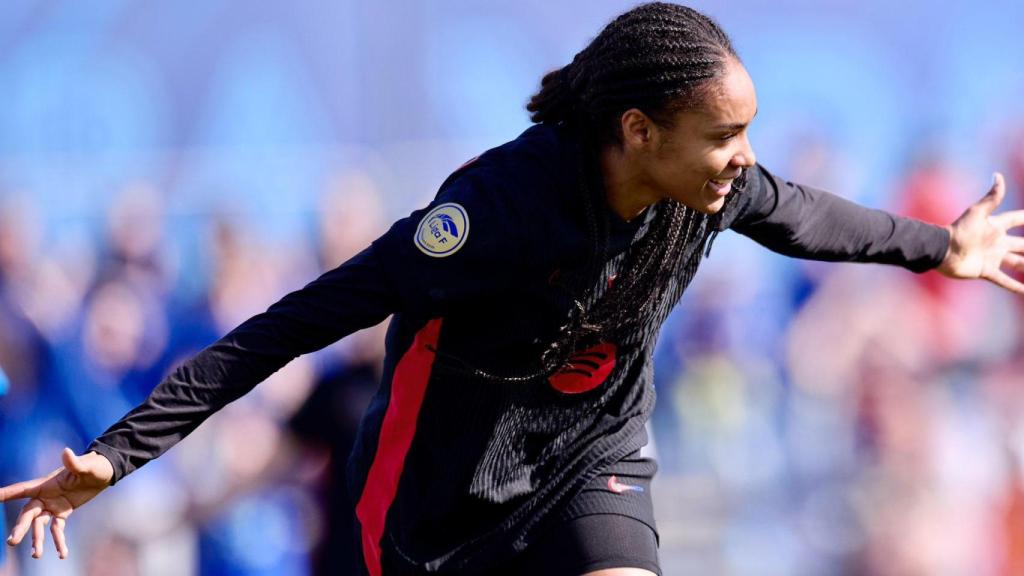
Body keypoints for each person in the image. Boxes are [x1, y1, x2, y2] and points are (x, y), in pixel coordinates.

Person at [3, 3, 1024, 575]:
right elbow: (295, 322)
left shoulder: (710, 188)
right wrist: (116, 454)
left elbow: (807, 215)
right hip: (437, 492)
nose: (739, 161)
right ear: (637, 132)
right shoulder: (494, 211)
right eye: (722, 136)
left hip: (591, 459)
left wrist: (942, 247)